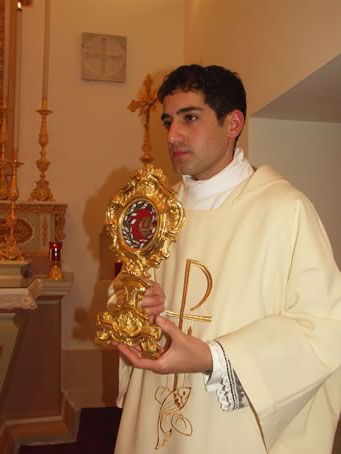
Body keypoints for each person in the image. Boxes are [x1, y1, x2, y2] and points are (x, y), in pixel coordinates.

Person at [110, 64, 341, 454]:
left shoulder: (285, 210)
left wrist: (211, 357)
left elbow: (324, 327)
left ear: (233, 123)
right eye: (168, 121)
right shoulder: (158, 210)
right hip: (154, 409)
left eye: (190, 118)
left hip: (230, 427)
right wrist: (137, 306)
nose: (172, 135)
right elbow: (125, 289)